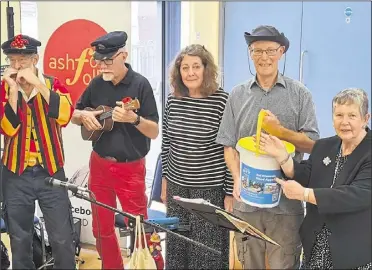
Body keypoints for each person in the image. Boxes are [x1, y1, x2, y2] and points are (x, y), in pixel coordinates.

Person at [216, 25, 320, 269]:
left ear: (281, 52)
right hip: (247, 205)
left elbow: (313, 144)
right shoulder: (237, 95)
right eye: (257, 51)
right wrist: (237, 177)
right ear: (250, 53)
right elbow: (228, 144)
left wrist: (281, 132)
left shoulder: (300, 95)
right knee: (248, 264)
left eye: (270, 51)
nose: (264, 57)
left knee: (284, 265)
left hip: (286, 204)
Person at [71, 31, 159, 269]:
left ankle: (154, 266)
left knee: (141, 227)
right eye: (99, 61)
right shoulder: (96, 84)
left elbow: (154, 131)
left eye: (108, 60)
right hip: (99, 165)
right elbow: (75, 114)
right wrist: (84, 116)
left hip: (130, 168)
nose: (101, 66)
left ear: (123, 55)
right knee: (101, 228)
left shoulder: (141, 84)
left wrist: (134, 119)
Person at [259, 88, 371, 269]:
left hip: (352, 253)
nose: (344, 122)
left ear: (365, 119)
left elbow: (355, 195)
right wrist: (283, 157)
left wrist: (304, 194)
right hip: (315, 247)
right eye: (339, 115)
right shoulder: (324, 146)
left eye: (352, 116)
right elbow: (306, 175)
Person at [0, 34, 76, 269]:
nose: (17, 66)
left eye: (23, 60)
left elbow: (65, 115)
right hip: (15, 175)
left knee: (62, 238)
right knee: (19, 239)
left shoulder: (54, 85)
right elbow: (8, 128)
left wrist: (38, 85)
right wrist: (13, 90)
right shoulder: (4, 89)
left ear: (35, 59)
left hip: (51, 174)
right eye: (13, 60)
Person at [161, 44, 232, 269]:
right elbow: (166, 143)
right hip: (177, 188)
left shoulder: (222, 101)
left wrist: (229, 192)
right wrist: (164, 180)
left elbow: (230, 148)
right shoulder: (173, 99)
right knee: (177, 243)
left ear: (206, 69)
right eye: (184, 67)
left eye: (196, 66)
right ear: (178, 72)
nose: (190, 72)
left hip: (208, 190)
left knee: (205, 251)